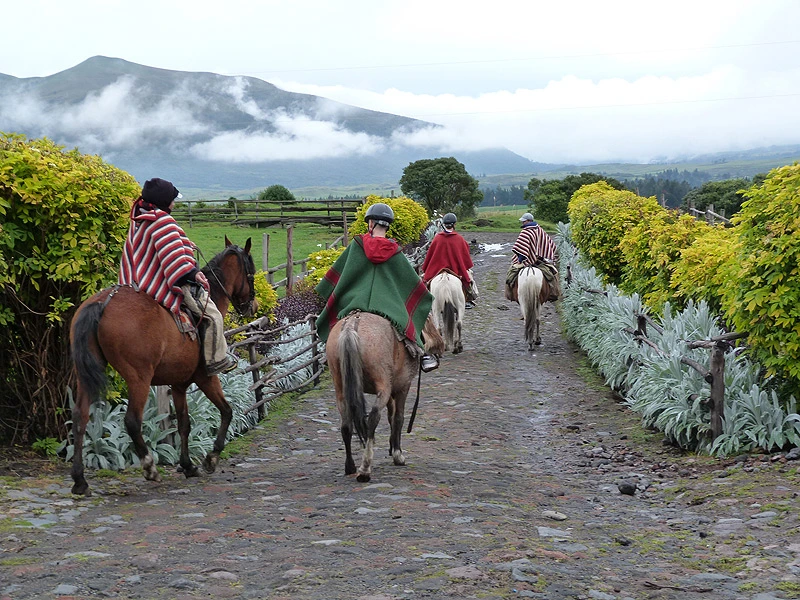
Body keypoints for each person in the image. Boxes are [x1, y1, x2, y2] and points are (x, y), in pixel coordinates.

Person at [119, 177, 238, 376]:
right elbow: (172, 259)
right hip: (158, 283)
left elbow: (156, 249)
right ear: (164, 201)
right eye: (172, 200)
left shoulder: (140, 218)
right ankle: (215, 361)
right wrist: (192, 274)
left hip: (134, 281)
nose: (174, 203)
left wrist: (183, 244)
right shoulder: (163, 221)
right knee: (212, 314)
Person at [315, 202, 440, 372]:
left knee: (338, 326)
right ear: (387, 226)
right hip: (389, 306)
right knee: (409, 322)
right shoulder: (395, 251)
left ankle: (328, 351)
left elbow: (339, 275)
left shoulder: (357, 246)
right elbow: (411, 283)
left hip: (354, 301)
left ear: (370, 223)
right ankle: (423, 353)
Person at [420, 213, 479, 308]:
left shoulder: (437, 238)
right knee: (470, 278)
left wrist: (426, 268)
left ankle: (424, 301)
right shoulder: (459, 239)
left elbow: (430, 255)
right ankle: (469, 298)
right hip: (456, 270)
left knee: (423, 281)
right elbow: (465, 256)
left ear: (444, 224)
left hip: (437, 270)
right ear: (454, 224)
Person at [505, 212, 560, 303]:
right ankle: (553, 293)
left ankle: (510, 294)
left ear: (528, 221)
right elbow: (548, 243)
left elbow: (522, 249)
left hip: (525, 261)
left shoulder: (525, 231)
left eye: (524, 221)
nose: (522, 223)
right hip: (539, 260)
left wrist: (520, 260)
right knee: (553, 274)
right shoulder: (540, 230)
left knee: (510, 275)